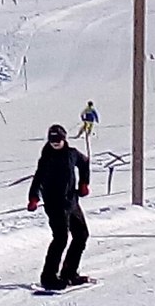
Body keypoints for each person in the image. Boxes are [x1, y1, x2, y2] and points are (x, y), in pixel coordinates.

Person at [28, 124, 91, 290]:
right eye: (52, 141)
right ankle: (48, 277)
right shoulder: (47, 157)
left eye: (57, 141)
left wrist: (84, 182)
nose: (55, 144)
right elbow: (38, 177)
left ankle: (69, 272)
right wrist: (34, 197)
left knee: (81, 234)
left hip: (71, 202)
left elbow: (84, 162)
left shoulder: (72, 154)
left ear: (64, 139)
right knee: (61, 238)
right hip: (54, 204)